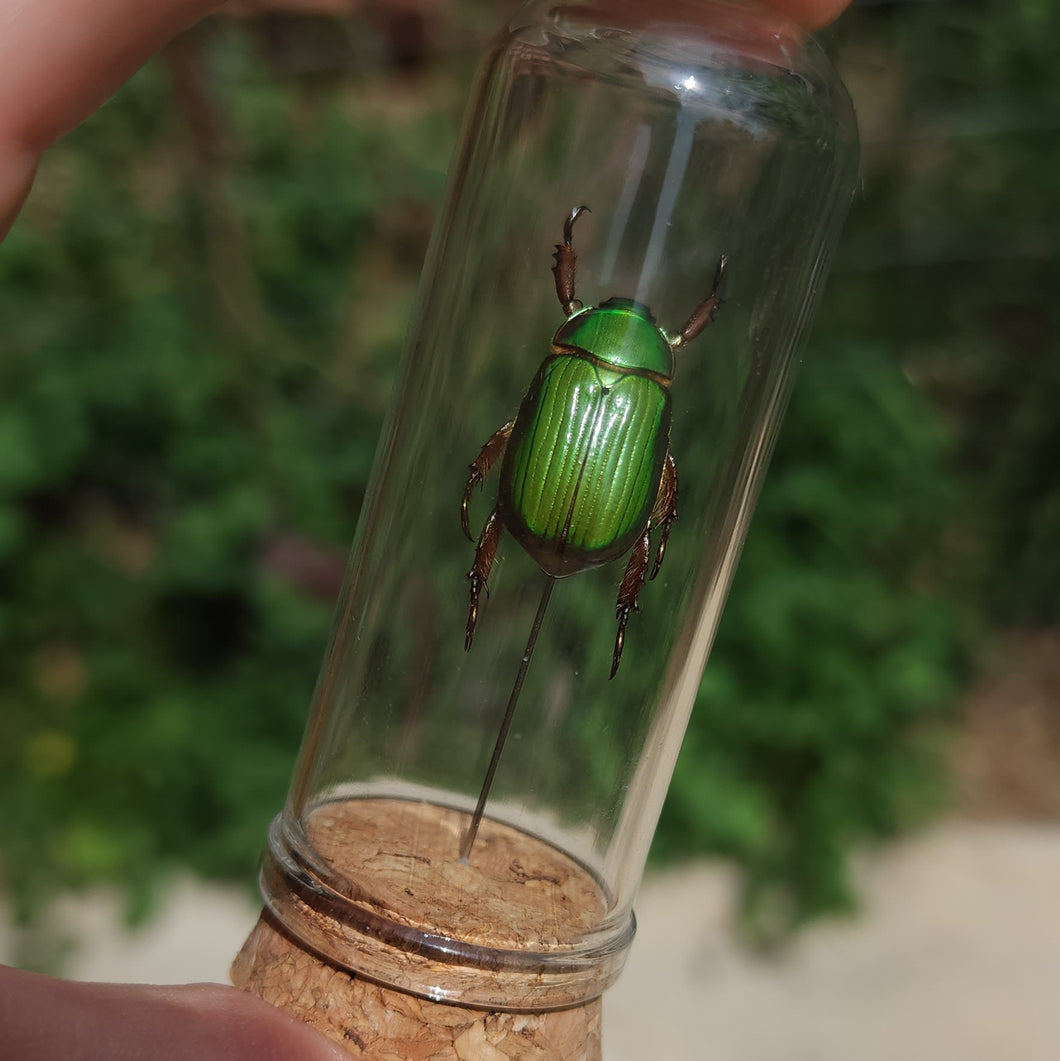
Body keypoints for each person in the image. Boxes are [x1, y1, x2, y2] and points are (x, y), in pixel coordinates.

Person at [0, 0, 851, 1055]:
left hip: (549, 507)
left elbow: (505, 446)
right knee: (632, 494)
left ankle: (505, 582)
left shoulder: (568, 356)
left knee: (537, 467)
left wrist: (486, 498)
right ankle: (607, 599)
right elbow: (627, 479)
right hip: (592, 522)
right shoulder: (654, 391)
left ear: (573, 315)